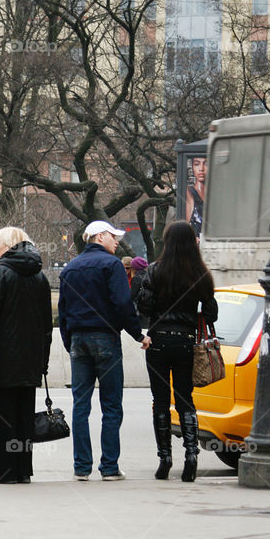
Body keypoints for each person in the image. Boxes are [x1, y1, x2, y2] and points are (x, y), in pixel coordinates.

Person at [59, 221, 150, 482]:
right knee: (111, 405)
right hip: (105, 338)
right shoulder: (112, 265)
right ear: (99, 237)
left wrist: (69, 341)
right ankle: (109, 467)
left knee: (80, 405)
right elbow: (122, 304)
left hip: (78, 339)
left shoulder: (70, 268)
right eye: (113, 236)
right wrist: (138, 334)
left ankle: (81, 467)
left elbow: (63, 310)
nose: (117, 242)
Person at [136, 222, 218, 482]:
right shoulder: (200, 273)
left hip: (158, 341)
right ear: (192, 242)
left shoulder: (154, 270)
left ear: (167, 241)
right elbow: (211, 313)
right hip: (186, 342)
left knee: (160, 401)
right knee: (185, 399)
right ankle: (191, 455)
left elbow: (145, 308)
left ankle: (165, 459)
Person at [0, 228, 53, 484]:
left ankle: (3, 471)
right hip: (30, 361)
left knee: (1, 419)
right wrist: (43, 360)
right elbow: (47, 324)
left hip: (1, 360)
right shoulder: (39, 276)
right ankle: (22, 470)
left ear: (8, 245)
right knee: (23, 417)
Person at [185, 156, 207, 236]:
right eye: (197, 164)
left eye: (206, 164)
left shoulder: (218, 195)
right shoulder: (189, 194)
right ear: (193, 167)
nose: (201, 169)